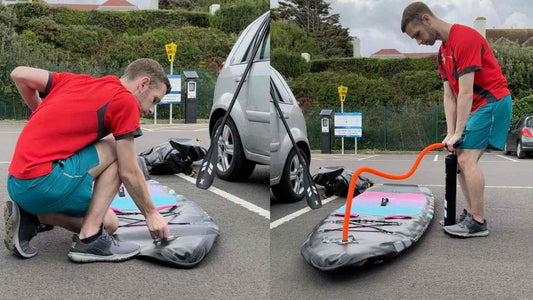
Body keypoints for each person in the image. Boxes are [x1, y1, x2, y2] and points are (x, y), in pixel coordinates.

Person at [5, 58, 172, 261]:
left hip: (17, 184)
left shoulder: (76, 81)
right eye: (154, 100)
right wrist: (151, 214)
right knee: (118, 151)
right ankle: (89, 239)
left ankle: (32, 216)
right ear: (143, 84)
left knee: (110, 224)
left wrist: (38, 109)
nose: (151, 110)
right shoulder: (125, 100)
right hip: (43, 182)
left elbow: (19, 73)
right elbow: (128, 171)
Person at [401, 2, 512, 237]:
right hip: (478, 106)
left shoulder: (464, 38)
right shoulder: (442, 54)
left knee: (467, 159)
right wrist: (450, 133)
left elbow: (465, 92)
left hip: (493, 101)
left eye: (418, 34)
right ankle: (471, 214)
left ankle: (478, 222)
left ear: (426, 19)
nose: (419, 41)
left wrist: (459, 132)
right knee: (459, 157)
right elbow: (449, 95)